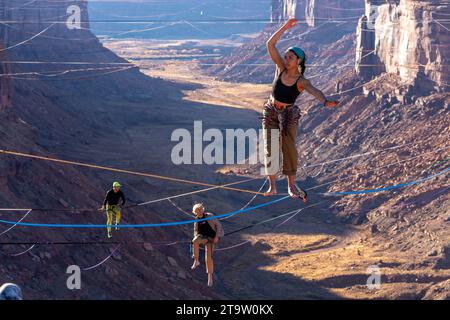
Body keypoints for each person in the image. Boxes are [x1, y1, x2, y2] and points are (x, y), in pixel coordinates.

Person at [263, 18, 339, 201]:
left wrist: (325, 101)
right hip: (271, 110)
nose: (286, 59)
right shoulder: (280, 69)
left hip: (289, 114)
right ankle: (272, 186)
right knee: (270, 148)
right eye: (286, 56)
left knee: (289, 148)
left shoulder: (301, 81)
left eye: (290, 57)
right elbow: (270, 44)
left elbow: (315, 91)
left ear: (298, 61)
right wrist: (285, 28)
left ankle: (290, 187)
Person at [190, 203, 224, 287]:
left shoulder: (209, 216)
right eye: (198, 210)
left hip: (212, 238)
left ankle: (210, 278)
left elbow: (219, 226)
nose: (200, 211)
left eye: (201, 209)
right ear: (195, 212)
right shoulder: (196, 219)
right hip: (203, 238)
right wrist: (198, 240)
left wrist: (217, 237)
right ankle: (196, 260)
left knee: (208, 258)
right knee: (195, 241)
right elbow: (195, 231)